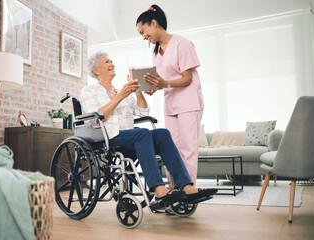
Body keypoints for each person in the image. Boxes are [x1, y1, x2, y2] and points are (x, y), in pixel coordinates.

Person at [80, 52, 214, 210]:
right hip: (107, 136)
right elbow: (96, 117)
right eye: (107, 62)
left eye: (112, 61)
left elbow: (143, 112)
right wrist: (121, 96)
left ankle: (186, 186)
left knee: (162, 133)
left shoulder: (119, 90)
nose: (112, 64)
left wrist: (137, 90)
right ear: (96, 70)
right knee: (141, 133)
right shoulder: (89, 91)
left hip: (129, 136)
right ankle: (158, 189)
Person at [136, 5, 204, 188]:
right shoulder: (155, 51)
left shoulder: (182, 43)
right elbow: (163, 79)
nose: (143, 37)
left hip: (189, 102)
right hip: (171, 104)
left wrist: (164, 84)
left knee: (188, 149)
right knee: (171, 150)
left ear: (154, 23)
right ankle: (174, 189)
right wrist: (154, 87)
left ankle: (188, 193)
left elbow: (187, 78)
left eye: (143, 31)